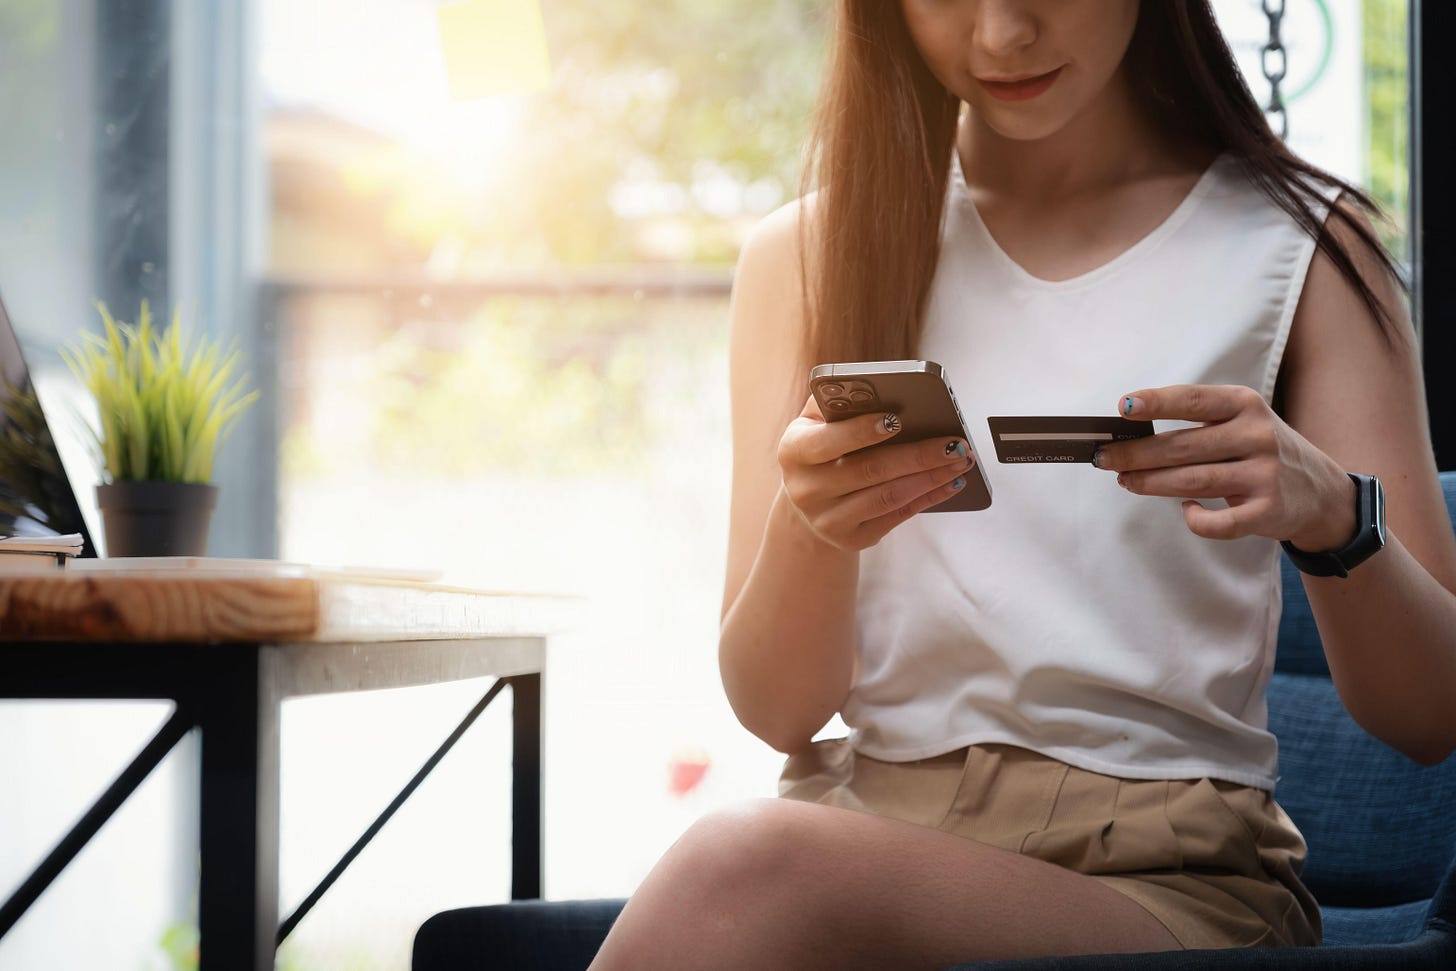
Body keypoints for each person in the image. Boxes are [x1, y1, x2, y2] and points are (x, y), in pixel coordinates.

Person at [589, 2, 1456, 967]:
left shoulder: (1302, 247)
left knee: (742, 864)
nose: (1002, 33)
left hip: (1164, 886)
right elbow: (777, 711)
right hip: (867, 841)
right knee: (751, 867)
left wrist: (1332, 514)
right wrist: (814, 529)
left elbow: (1432, 716)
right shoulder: (806, 254)